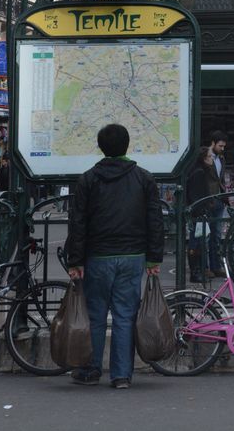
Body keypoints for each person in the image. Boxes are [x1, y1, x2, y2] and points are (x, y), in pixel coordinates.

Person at [66, 124, 164, 389]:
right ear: (127, 145)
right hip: (133, 256)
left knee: (96, 315)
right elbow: (155, 220)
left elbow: (78, 223)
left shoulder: (88, 179)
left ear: (101, 147)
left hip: (97, 256)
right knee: (125, 316)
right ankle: (121, 375)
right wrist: (154, 259)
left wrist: (74, 260)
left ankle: (91, 369)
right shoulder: (144, 178)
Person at [186, 147, 222, 281]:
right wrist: (203, 209)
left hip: (198, 212)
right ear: (203, 158)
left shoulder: (198, 171)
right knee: (197, 242)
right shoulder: (199, 172)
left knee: (198, 241)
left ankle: (198, 271)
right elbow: (197, 195)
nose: (211, 159)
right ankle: (196, 272)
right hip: (199, 213)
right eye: (209, 156)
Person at [205, 130, 228, 277]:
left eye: (224, 146)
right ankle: (205, 266)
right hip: (207, 199)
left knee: (216, 234)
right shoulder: (205, 158)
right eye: (220, 145)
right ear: (213, 143)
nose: (222, 149)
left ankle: (215, 265)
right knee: (205, 234)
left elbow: (220, 178)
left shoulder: (221, 158)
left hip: (218, 198)